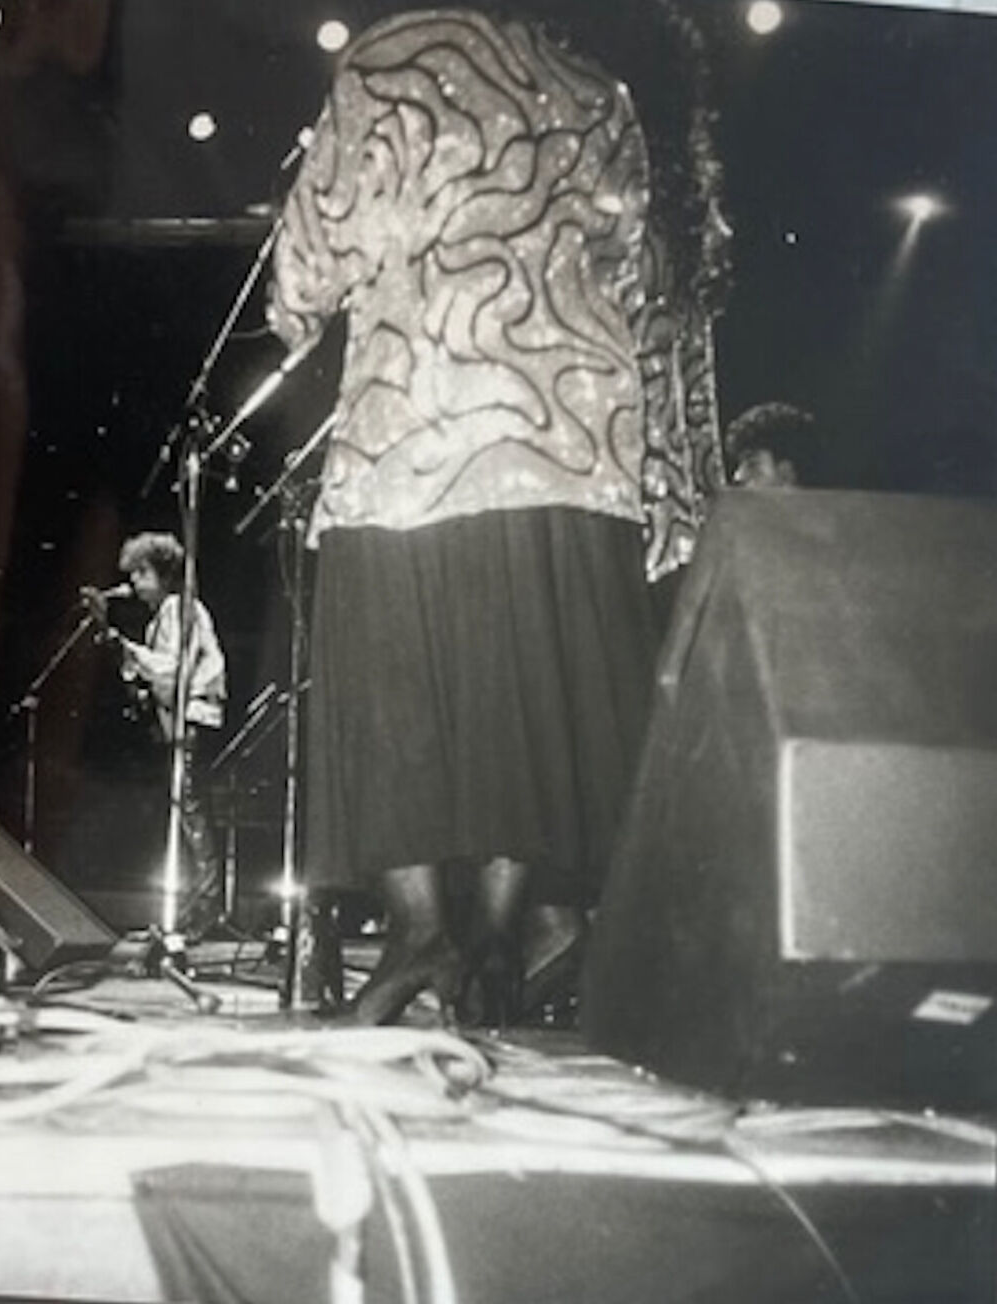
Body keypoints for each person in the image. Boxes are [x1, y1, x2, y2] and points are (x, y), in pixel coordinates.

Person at [268, 6, 721, 1026]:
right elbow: (640, 282)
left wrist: (293, 308)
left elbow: (309, 264)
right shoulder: (599, 90)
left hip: (419, 430)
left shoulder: (386, 59)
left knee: (398, 695)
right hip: (567, 440)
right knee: (524, 707)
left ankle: (421, 932)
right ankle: (495, 942)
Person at [84, 531, 228, 935]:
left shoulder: (178, 608)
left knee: (192, 814)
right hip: (183, 720)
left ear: (165, 574)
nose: (133, 582)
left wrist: (116, 639)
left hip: (192, 719)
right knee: (188, 814)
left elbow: (169, 669)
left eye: (141, 573)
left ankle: (204, 908)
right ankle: (196, 907)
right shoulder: (165, 615)